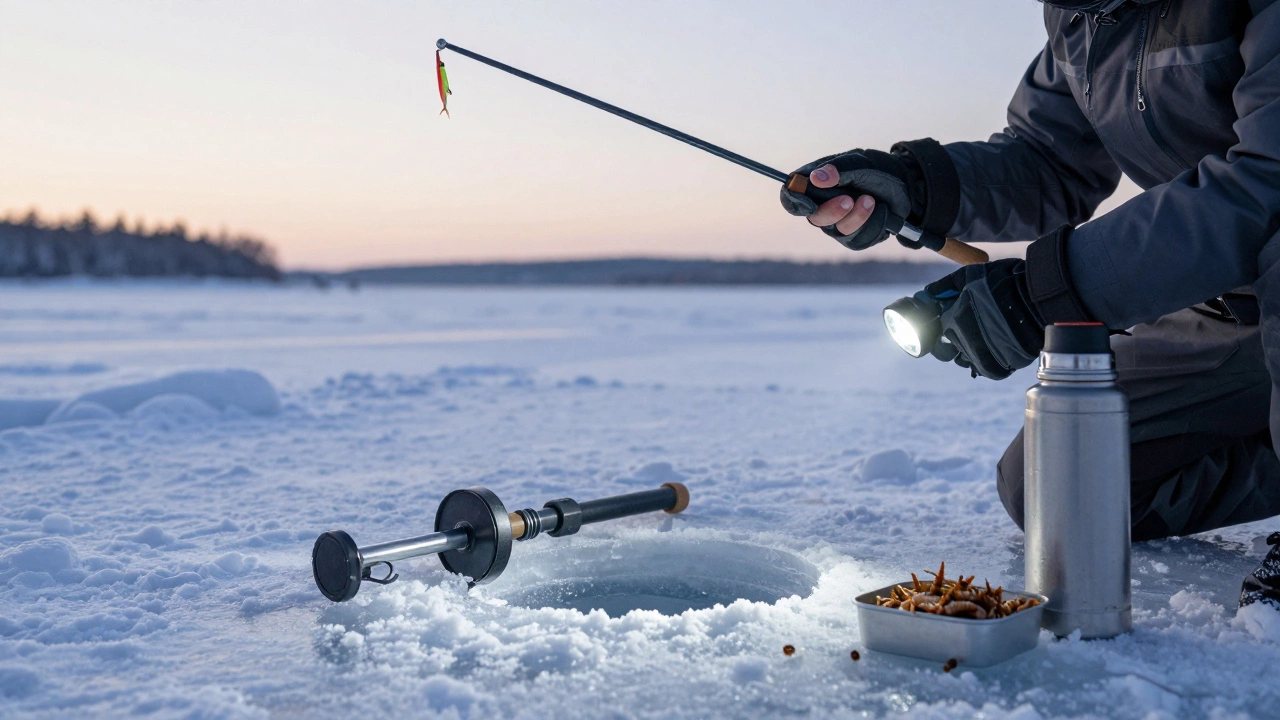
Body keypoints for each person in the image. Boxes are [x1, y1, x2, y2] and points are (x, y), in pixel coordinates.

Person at [780, 0, 1280, 609]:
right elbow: (1048, 162)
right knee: (1060, 487)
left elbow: (1267, 183)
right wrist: (915, 187)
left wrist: (1045, 292)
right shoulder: (1084, 20)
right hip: (1232, 307)